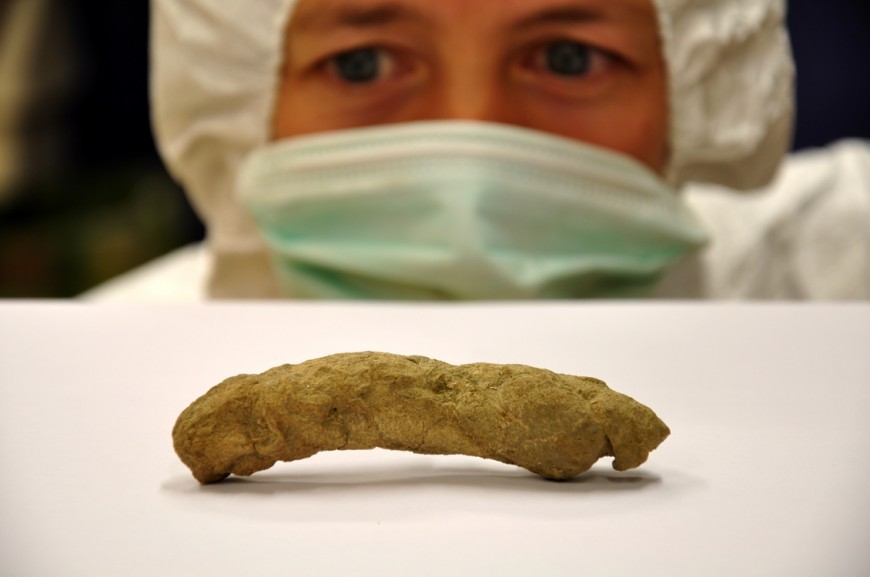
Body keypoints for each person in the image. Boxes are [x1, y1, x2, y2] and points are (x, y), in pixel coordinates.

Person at [85, 0, 869, 300]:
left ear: (694, 89)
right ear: (239, 93)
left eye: (568, 57)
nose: (474, 138)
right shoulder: (80, 386)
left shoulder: (826, 284)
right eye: (362, 64)